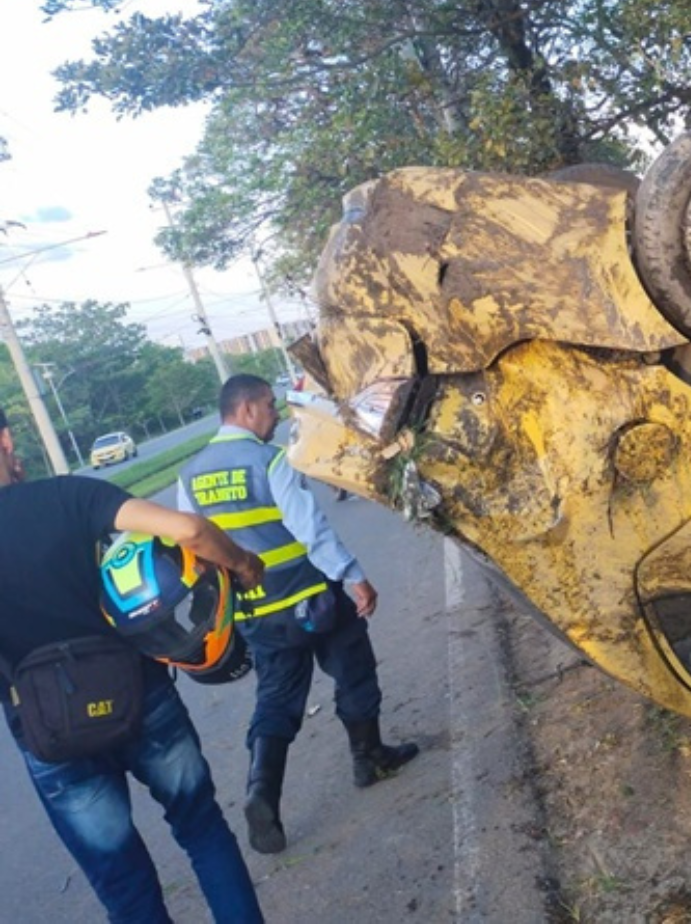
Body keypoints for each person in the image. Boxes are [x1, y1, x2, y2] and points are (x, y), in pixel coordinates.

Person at [0, 406, 268, 923]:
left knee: (124, 887)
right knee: (202, 829)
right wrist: (244, 564)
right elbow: (188, 529)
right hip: (142, 698)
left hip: (50, 734)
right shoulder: (68, 496)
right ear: (7, 440)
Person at [177, 374, 418, 856]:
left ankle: (261, 791)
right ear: (244, 411)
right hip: (312, 598)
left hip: (258, 613)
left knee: (276, 698)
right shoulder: (269, 461)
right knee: (353, 668)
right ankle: (368, 758)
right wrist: (353, 575)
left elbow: (191, 547)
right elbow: (309, 528)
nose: (275, 414)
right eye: (268, 405)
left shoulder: (190, 476)